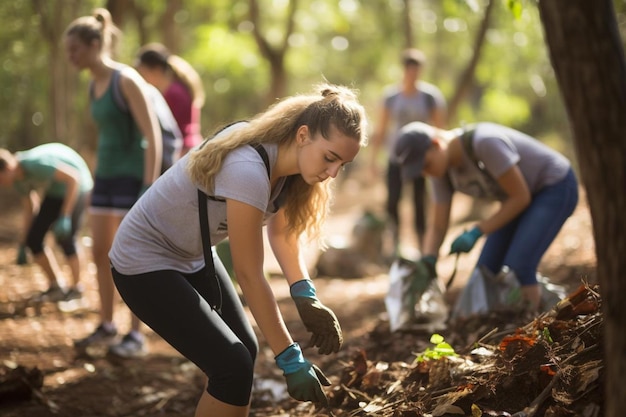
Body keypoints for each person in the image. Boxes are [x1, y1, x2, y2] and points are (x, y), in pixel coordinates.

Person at [108, 83, 368, 416]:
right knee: (232, 364)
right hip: (143, 259)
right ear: (303, 135)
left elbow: (285, 238)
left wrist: (306, 295)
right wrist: (290, 358)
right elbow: (248, 272)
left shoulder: (292, 171)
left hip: (192, 255)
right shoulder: (248, 168)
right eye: (330, 158)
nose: (332, 173)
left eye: (342, 165)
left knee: (244, 350)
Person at [393, 121, 578, 315]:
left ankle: (535, 326)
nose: (426, 173)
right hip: (517, 199)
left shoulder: (484, 143)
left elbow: (521, 197)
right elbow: (438, 225)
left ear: (437, 144)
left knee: (518, 267)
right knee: (486, 270)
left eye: (426, 165)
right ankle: (517, 317)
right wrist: (429, 260)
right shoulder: (440, 172)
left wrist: (477, 231)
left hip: (553, 187)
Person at [64, 8, 163, 357]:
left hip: (131, 179)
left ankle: (136, 335)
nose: (70, 56)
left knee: (131, 258)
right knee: (99, 253)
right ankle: (107, 325)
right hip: (103, 178)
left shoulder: (127, 80)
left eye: (74, 49)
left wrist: (149, 187)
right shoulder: (94, 83)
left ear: (94, 45)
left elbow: (152, 135)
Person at [369, 48, 447, 253]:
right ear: (404, 69)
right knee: (393, 201)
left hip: (422, 160)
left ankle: (422, 245)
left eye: (417, 70)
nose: (413, 74)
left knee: (420, 201)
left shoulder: (429, 96)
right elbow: (382, 128)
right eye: (410, 69)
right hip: (396, 158)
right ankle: (394, 245)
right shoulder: (391, 97)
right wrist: (373, 159)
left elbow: (439, 127)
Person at [0, 144, 93, 302]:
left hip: (78, 186)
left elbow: (74, 178)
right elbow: (30, 208)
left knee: (66, 238)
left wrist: (65, 216)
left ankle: (77, 290)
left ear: (7, 168)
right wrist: (24, 242)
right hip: (56, 191)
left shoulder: (35, 164)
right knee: (34, 239)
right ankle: (56, 286)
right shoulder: (17, 179)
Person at [135, 42, 205, 157]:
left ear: (156, 70)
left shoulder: (173, 93)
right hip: (190, 148)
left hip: (184, 152)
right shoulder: (176, 88)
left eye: (143, 73)